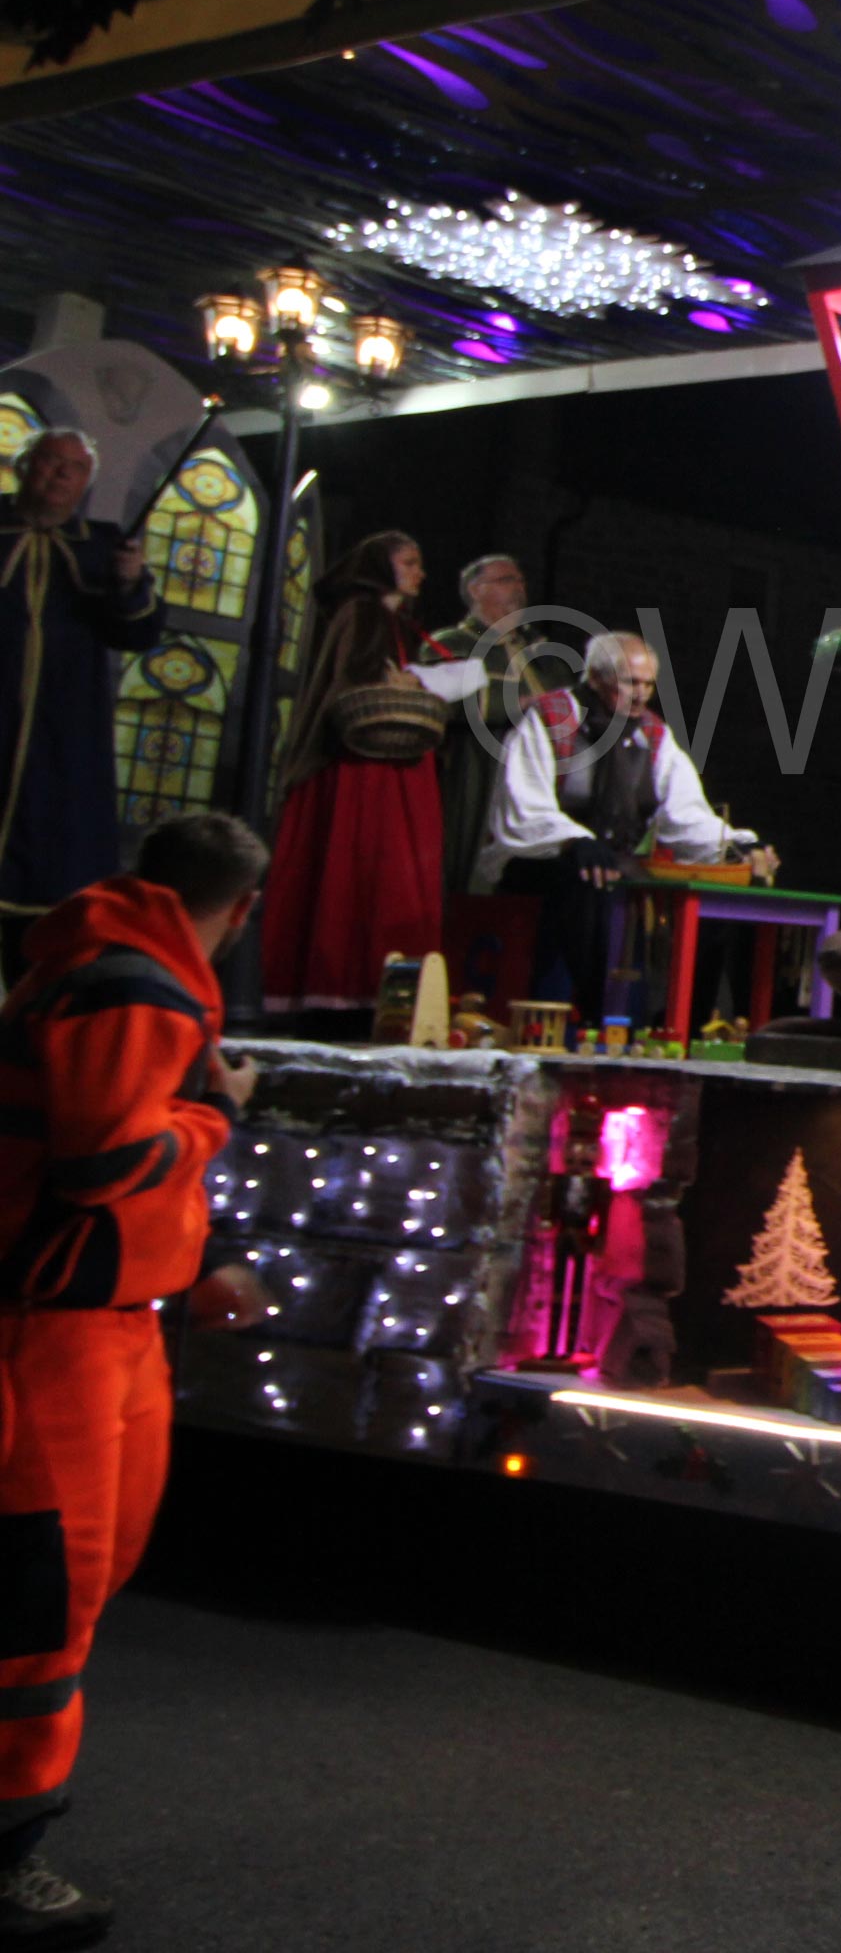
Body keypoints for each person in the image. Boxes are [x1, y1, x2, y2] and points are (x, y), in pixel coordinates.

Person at [0, 810, 275, 1943]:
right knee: (40, 1603)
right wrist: (218, 1113)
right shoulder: (135, 988)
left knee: (65, 1588)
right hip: (54, 1338)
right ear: (242, 911)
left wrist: (193, 1262)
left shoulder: (122, 973)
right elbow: (106, 1157)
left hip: (99, 1325)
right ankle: (7, 1854)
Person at [480, 632, 775, 1028]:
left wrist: (737, 845)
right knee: (588, 883)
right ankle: (590, 1018)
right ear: (596, 678)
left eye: (648, 684)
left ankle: (683, 1022)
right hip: (545, 860)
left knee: (705, 897)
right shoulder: (551, 718)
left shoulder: (652, 734)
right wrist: (574, 840)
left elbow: (685, 810)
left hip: (617, 866)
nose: (641, 694)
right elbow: (525, 800)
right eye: (630, 682)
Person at [261, 533, 475, 1013]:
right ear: (379, 566)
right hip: (362, 764)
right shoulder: (363, 613)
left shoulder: (394, 621)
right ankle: (340, 988)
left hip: (388, 760)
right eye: (409, 562)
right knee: (361, 864)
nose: (420, 573)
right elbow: (358, 678)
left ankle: (372, 992)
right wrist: (412, 683)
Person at [0, 430, 161, 969]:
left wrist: (130, 584)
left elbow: (136, 633)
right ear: (24, 467)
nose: (62, 474)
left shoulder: (103, 546)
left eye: (75, 467)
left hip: (63, 728)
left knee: (52, 856)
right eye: (50, 461)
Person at [417, 552, 557, 896]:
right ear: (475, 590)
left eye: (521, 580)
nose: (519, 587)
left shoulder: (538, 649)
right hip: (476, 768)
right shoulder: (452, 643)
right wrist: (522, 704)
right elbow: (444, 701)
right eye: (507, 580)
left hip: (542, 771)